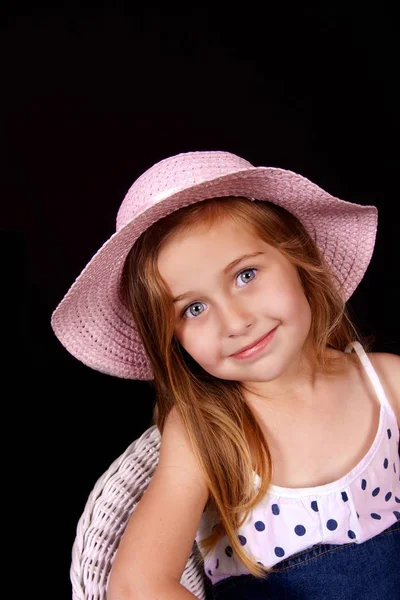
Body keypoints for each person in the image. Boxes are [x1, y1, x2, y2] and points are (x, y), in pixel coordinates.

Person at [51, 151, 400, 599]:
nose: (234, 322)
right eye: (193, 309)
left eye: (246, 275)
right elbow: (137, 584)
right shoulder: (206, 434)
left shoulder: (387, 384)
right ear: (171, 337)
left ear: (300, 261)